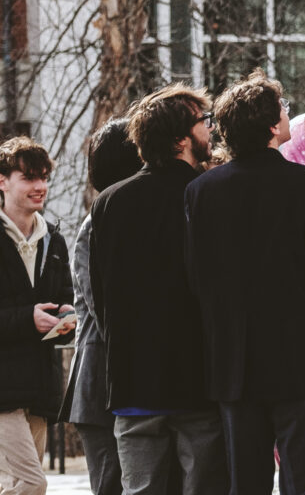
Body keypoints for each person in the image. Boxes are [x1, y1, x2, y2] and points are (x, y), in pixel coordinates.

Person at [184, 71, 305, 495]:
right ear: (274, 127)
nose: (289, 114)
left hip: (236, 363)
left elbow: (198, 278)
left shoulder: (201, 191)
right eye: (284, 110)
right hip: (303, 360)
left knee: (247, 484)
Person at [89, 85, 227, 495]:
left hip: (133, 379)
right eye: (204, 123)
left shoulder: (109, 203)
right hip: (194, 378)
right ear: (181, 139)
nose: (211, 131)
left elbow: (100, 297)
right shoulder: (204, 194)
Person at [59, 119, 142, 495]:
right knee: (112, 485)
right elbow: (103, 309)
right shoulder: (98, 224)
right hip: (101, 385)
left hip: (118, 383)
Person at [0, 137, 74, 495]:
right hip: (2, 393)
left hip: (40, 389)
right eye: (29, 177)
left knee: (15, 485)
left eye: (44, 177)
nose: (40, 186)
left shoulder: (54, 241)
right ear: (3, 181)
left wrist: (66, 320)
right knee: (32, 483)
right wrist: (27, 318)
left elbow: (64, 300)